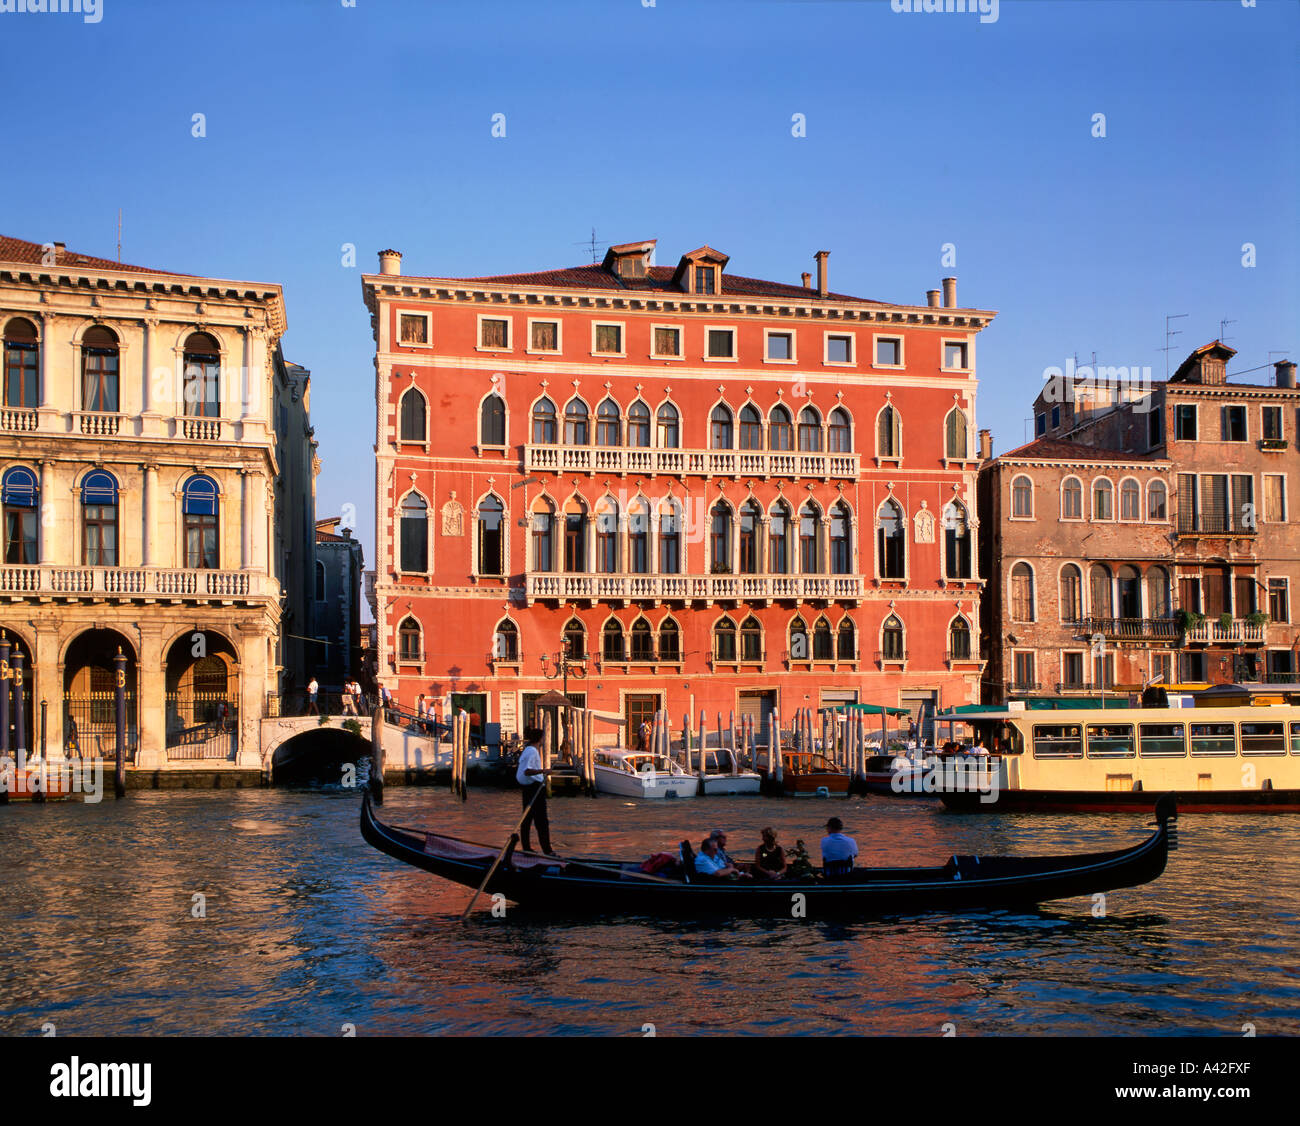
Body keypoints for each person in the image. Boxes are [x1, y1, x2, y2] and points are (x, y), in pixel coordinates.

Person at [516, 725, 555, 856]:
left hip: (529, 788)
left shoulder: (528, 750)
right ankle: (547, 851)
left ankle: (527, 848)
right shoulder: (532, 751)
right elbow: (527, 771)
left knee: (527, 819)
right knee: (541, 821)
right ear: (540, 739)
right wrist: (544, 771)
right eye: (543, 737)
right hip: (534, 788)